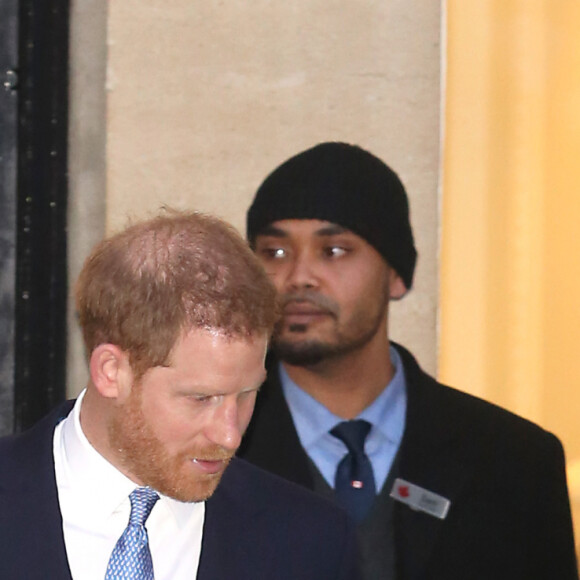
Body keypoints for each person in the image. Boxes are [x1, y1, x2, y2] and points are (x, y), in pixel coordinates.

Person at [237, 142, 578, 580]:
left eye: (335, 250)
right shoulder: (213, 447)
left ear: (396, 274)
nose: (300, 276)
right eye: (275, 253)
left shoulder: (514, 463)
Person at [0, 210, 360, 580]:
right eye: (201, 399)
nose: (229, 435)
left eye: (248, 394)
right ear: (111, 372)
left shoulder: (312, 544)